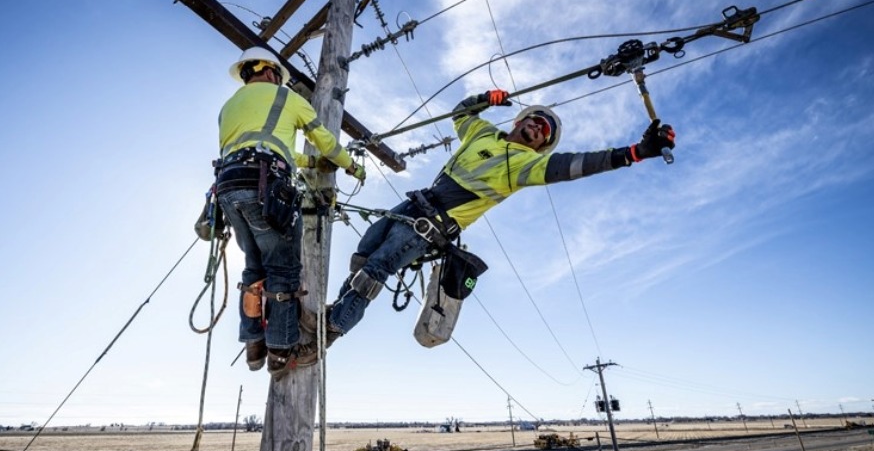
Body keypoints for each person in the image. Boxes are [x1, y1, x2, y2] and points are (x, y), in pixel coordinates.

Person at [323, 89, 676, 345]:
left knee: (375, 270)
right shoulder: (483, 133)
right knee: (363, 254)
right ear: (521, 120)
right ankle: (334, 311)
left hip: (430, 226)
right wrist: (485, 99)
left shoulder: (527, 165)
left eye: (544, 133)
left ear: (541, 146)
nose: (538, 128)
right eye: (536, 121)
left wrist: (634, 152)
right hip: (414, 205)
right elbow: (461, 114)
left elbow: (576, 165)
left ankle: (333, 329)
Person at [215, 46, 365, 380]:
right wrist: (351, 165)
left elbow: (265, 143)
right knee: (284, 269)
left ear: (246, 74)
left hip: (228, 187)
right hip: (266, 188)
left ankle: (253, 345)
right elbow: (325, 140)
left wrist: (309, 162)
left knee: (254, 266)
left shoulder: (229, 108)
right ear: (270, 72)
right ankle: (280, 352)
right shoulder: (287, 98)